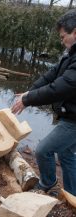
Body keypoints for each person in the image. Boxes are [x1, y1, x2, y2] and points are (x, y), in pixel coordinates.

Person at [11, 9, 76, 196]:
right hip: (70, 113)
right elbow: (52, 74)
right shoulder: (71, 53)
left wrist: (28, 99)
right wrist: (29, 93)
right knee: (66, 154)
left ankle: (48, 183)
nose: (61, 40)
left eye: (64, 36)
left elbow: (60, 87)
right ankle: (72, 196)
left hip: (74, 120)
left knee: (43, 150)